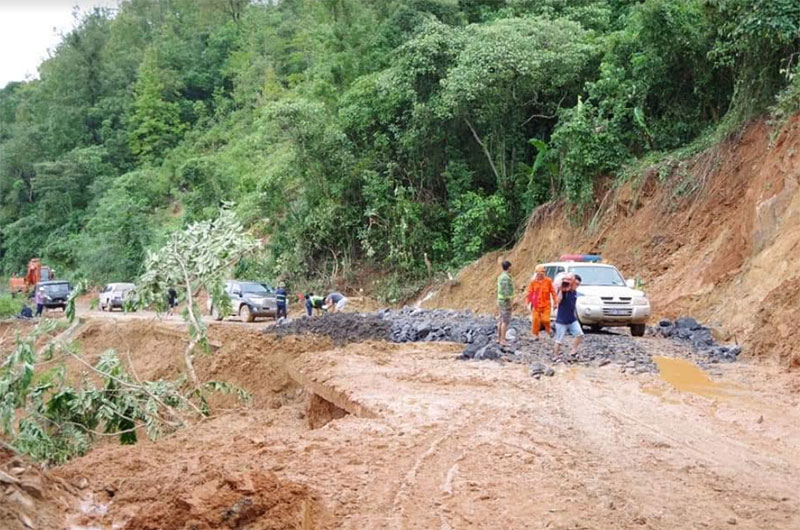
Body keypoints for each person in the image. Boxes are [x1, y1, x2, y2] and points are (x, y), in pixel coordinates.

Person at [554, 274, 583, 359]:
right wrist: (561, 290)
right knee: (559, 340)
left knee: (580, 334)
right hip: (561, 320)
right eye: (575, 284)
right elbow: (558, 301)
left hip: (572, 319)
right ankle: (556, 356)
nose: (576, 286)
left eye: (578, 284)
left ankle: (573, 351)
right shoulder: (564, 291)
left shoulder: (574, 292)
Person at [526, 265, 557, 339]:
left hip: (546, 305)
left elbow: (553, 292)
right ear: (536, 274)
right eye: (538, 274)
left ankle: (549, 330)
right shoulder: (532, 282)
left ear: (544, 273)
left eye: (541, 274)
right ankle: (535, 335)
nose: (540, 275)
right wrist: (527, 303)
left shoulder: (548, 281)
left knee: (545, 320)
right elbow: (529, 293)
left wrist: (556, 302)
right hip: (536, 304)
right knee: (535, 320)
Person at [496, 260, 514, 345]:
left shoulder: (501, 276)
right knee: (505, 321)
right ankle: (502, 339)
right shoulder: (505, 278)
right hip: (505, 301)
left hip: (501, 300)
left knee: (501, 319)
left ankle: (499, 338)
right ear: (509, 267)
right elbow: (505, 290)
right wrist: (510, 301)